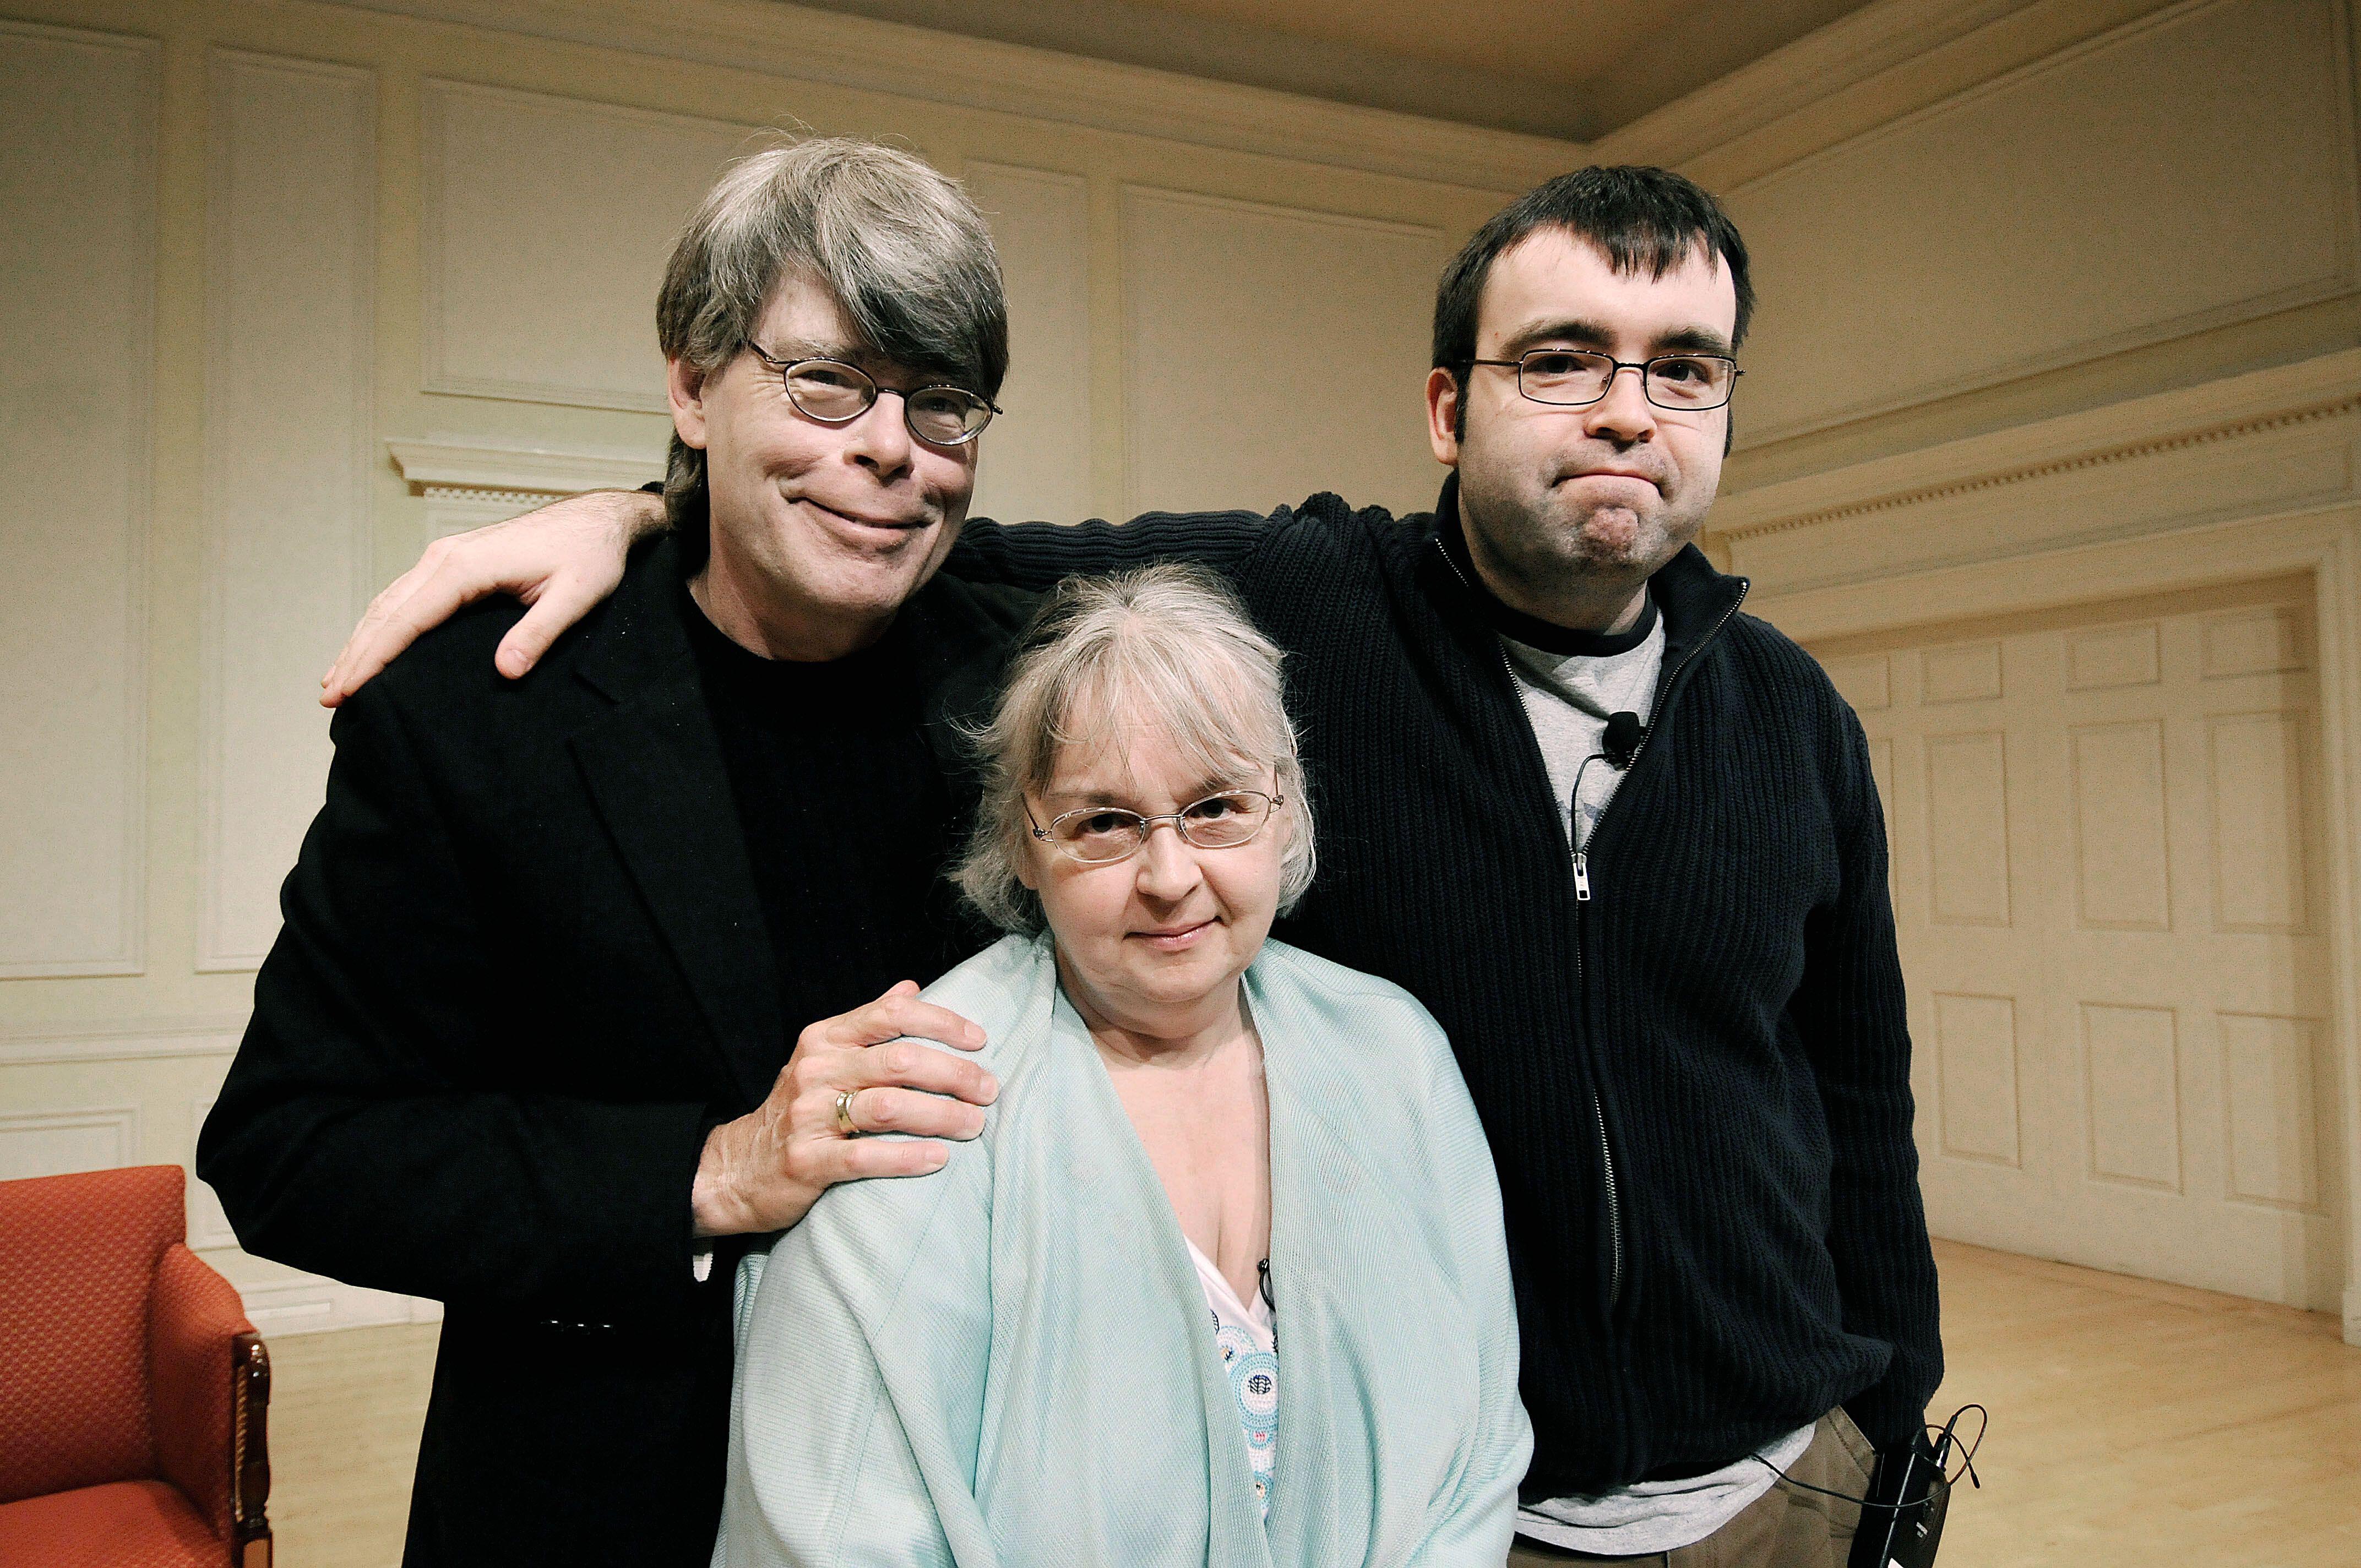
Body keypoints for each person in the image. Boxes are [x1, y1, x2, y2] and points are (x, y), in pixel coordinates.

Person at [333, 165, 1946, 1567]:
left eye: (1685, 370)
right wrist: (646, 510)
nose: (1623, 410)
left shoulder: (1795, 715)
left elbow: (1859, 1096)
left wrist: (1889, 1421)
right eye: (1561, 360)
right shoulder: (1314, 596)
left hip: (1782, 1483)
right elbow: (901, 536)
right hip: (1488, 1512)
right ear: (1448, 407)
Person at [197, 140, 1031, 1567]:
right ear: (692, 383)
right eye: (825, 383)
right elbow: (291, 1145)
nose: (890, 446)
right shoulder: (473, 706)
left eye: (940, 402)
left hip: (967, 1488)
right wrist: (705, 1172)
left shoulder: (1033, 675)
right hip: (601, 1501)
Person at [716, 564, 1528, 1566]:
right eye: (1105, 822)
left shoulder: (1395, 1053)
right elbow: (832, 1522)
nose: (1171, 877)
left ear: (1287, 812)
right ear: (1022, 841)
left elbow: (1481, 1450)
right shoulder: (915, 1093)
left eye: (1218, 806)